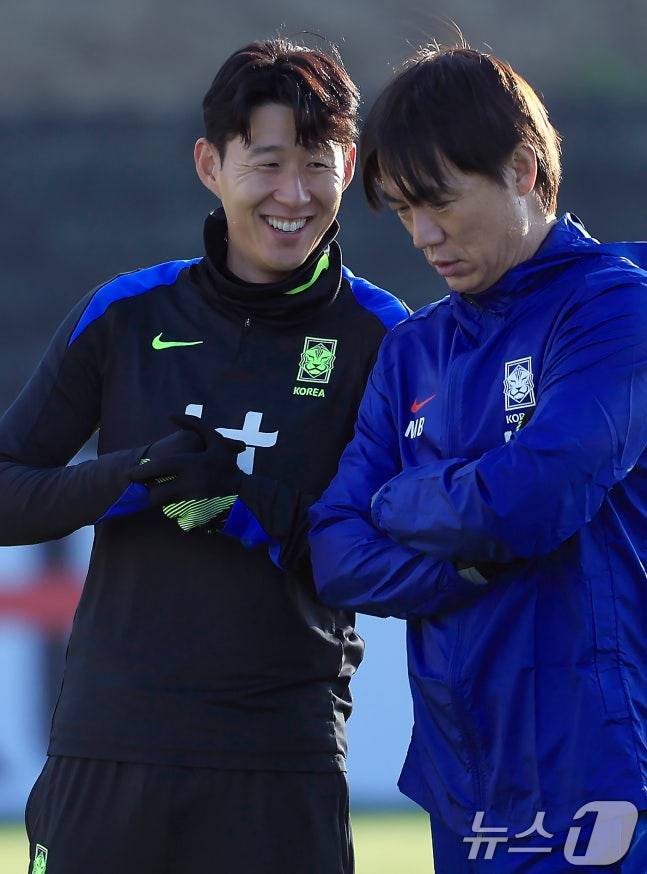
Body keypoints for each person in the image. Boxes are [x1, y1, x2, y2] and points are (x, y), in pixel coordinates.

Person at [0, 39, 408, 874]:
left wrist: (251, 513)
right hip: (108, 743)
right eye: (267, 163)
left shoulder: (387, 337)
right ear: (209, 164)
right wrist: (130, 479)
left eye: (318, 166)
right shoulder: (124, 313)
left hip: (282, 754)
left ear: (349, 168)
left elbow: (403, 548)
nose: (294, 195)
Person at [309, 46, 647, 872]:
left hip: (604, 770)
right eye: (402, 210)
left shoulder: (615, 308)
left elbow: (532, 498)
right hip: (464, 778)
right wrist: (470, 565)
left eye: (440, 202)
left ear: (523, 170)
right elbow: (335, 550)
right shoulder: (413, 349)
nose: (422, 236)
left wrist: (400, 501)